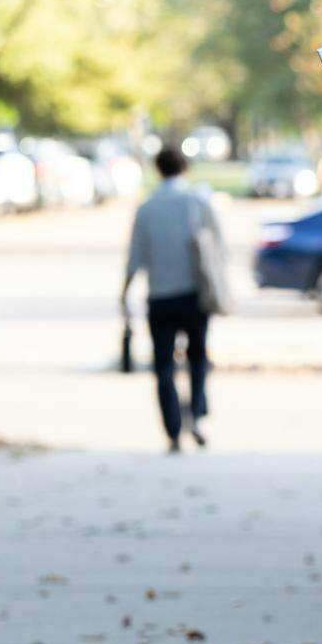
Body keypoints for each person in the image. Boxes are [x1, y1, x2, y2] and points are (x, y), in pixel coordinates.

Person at [120, 146, 221, 452]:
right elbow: (217, 247)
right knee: (198, 358)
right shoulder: (197, 203)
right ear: (185, 168)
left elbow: (135, 256)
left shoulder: (147, 209)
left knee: (163, 365)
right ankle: (197, 417)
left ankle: (173, 429)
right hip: (193, 294)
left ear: (158, 170)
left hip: (160, 296)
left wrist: (124, 292)